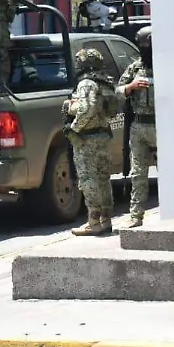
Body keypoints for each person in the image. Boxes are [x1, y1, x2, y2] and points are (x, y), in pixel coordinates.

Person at [63, 48, 119, 236]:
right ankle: (106, 219)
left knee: (88, 180)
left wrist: (74, 128)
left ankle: (93, 222)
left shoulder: (86, 83)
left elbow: (87, 108)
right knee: (103, 178)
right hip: (103, 136)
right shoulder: (104, 81)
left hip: (87, 139)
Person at [117, 26, 156, 228]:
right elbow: (117, 92)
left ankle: (172, 213)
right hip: (139, 126)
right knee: (138, 173)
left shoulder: (169, 66)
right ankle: (136, 216)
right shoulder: (134, 68)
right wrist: (131, 86)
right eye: (144, 47)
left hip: (162, 126)